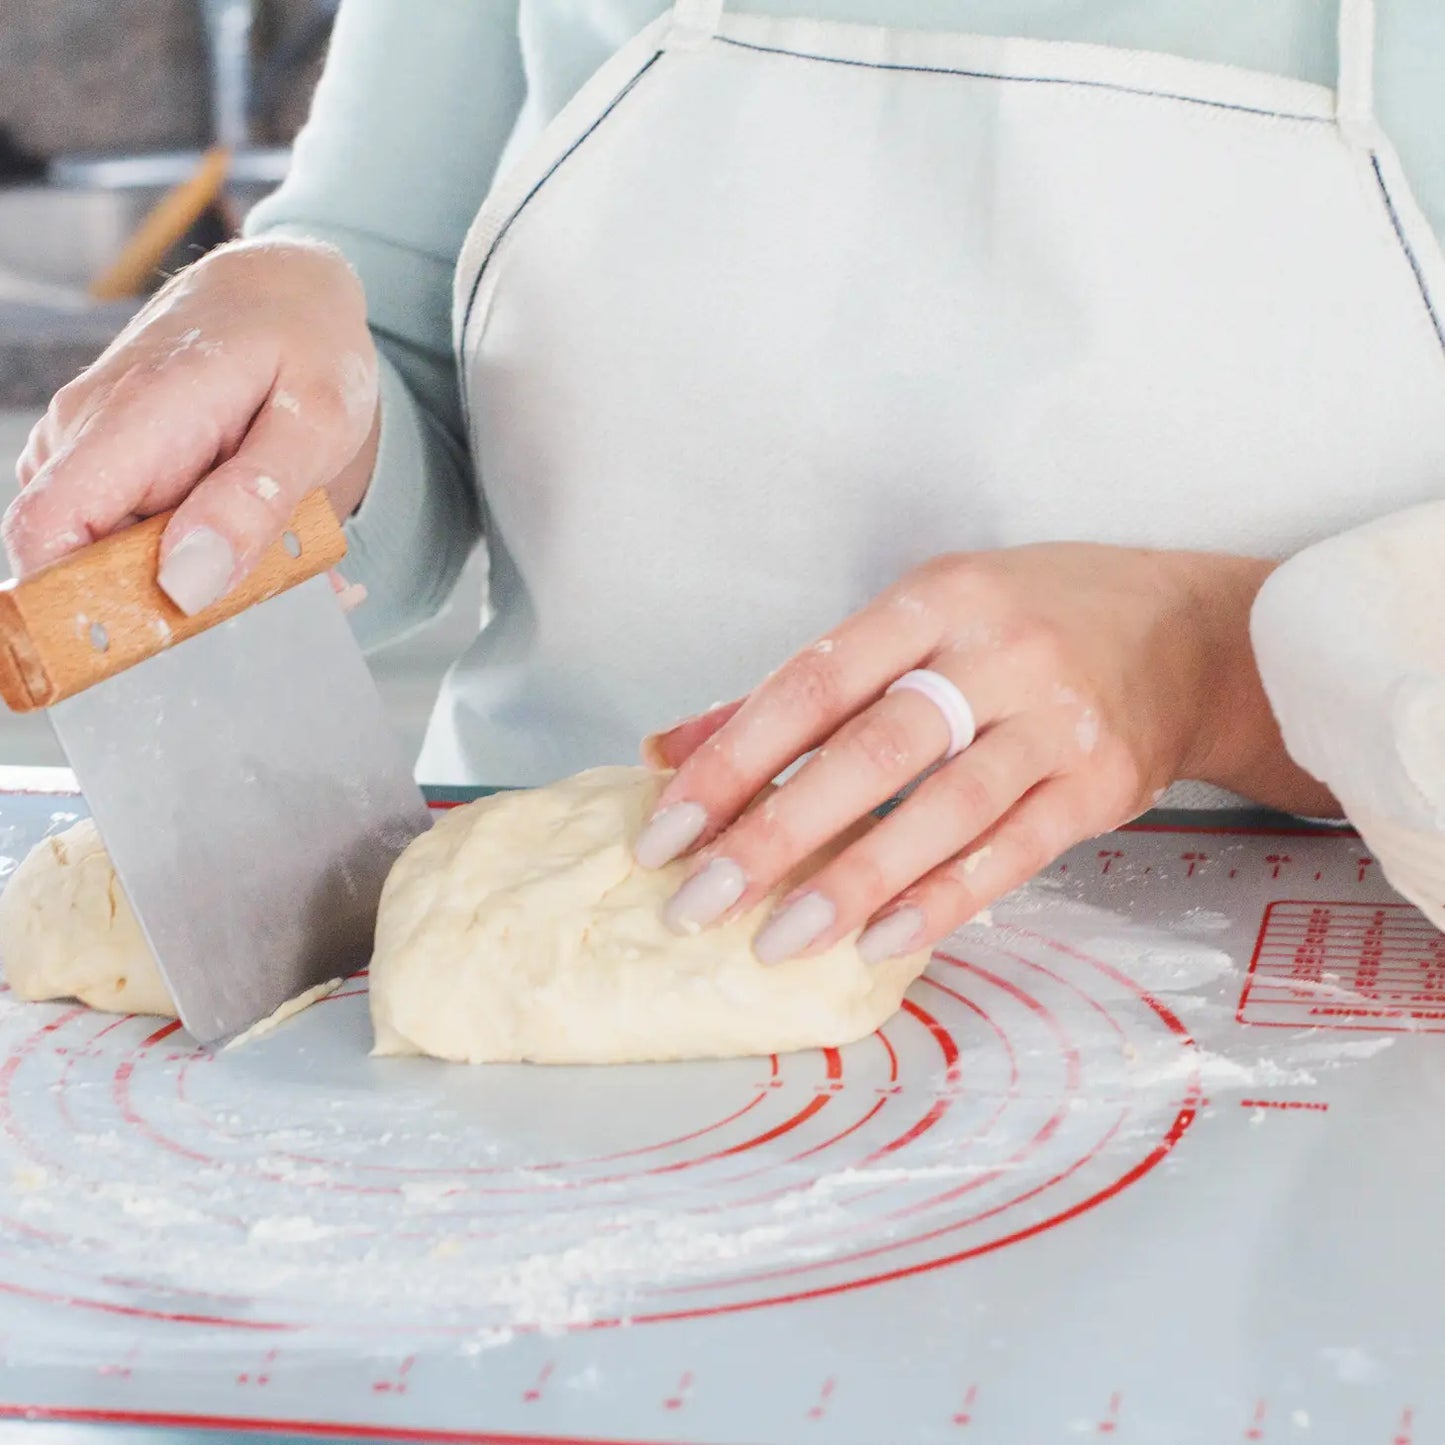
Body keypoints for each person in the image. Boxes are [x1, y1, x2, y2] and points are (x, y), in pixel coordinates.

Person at [6, 0, 1443, 969]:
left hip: (1292, 1060)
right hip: (535, 997)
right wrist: (286, 338)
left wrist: (1216, 665)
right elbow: (398, 313)